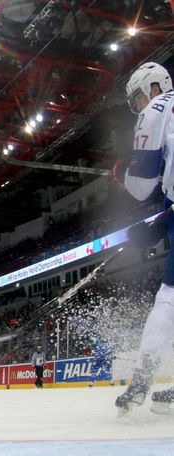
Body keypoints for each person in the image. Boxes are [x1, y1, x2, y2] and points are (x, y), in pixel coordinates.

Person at [114, 62, 174, 415]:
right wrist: (160, 225)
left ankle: (140, 384)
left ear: (154, 87)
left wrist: (124, 172)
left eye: (137, 96)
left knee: (168, 299)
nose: (137, 106)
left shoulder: (158, 106)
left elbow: (140, 187)